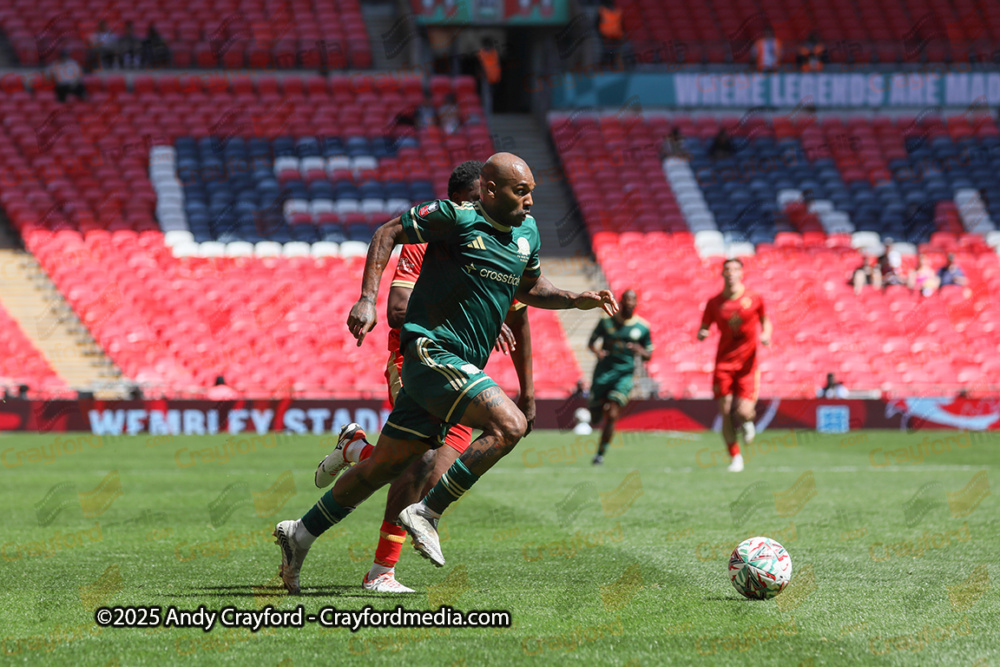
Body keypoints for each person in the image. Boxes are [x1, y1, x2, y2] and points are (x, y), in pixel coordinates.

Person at [272, 153, 618, 594]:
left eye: (532, 190)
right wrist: (366, 298)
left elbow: (530, 290)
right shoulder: (454, 219)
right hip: (430, 352)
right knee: (508, 424)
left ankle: (298, 534)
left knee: (386, 468)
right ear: (490, 191)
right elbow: (388, 232)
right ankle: (427, 513)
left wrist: (575, 299)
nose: (530, 201)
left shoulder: (526, 234)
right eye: (520, 191)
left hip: (459, 367)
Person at [313, 161, 536, 593]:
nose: (482, 212)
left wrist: (529, 390)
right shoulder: (435, 235)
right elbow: (399, 309)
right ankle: (381, 571)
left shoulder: (507, 240)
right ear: (467, 200)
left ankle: (356, 448)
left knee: (426, 472)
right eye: (475, 202)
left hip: (463, 369)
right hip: (418, 360)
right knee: (416, 464)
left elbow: (522, 318)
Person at [697, 258, 772, 473]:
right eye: (727, 269)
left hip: (748, 365)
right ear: (722, 274)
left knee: (744, 412)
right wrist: (702, 333)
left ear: (741, 273)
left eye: (735, 269)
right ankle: (735, 456)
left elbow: (766, 320)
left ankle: (748, 422)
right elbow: (703, 327)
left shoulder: (754, 298)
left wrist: (766, 334)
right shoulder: (714, 302)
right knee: (726, 411)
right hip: (723, 364)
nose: (730, 273)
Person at [588, 289, 653, 465]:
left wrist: (639, 350)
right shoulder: (606, 321)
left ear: (636, 304)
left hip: (624, 375)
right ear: (620, 303)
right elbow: (591, 343)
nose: (629, 306)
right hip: (603, 372)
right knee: (595, 417)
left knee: (612, 412)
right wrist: (598, 351)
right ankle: (597, 409)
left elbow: (649, 354)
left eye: (633, 303)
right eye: (626, 302)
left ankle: (600, 453)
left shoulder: (642, 327)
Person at [597, 0, 625, 70]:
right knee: (606, 53)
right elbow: (596, 23)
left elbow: (622, 24)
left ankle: (614, 69)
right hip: (605, 38)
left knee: (615, 54)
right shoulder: (602, 10)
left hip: (616, 38)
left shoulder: (618, 11)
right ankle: (603, 69)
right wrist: (600, 34)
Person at [477, 38, 501, 115]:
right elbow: (480, 65)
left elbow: (497, 65)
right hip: (485, 77)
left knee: (490, 95)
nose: (488, 47)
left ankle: (489, 111)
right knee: (485, 94)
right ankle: (486, 112)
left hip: (493, 76)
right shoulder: (482, 52)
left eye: (489, 45)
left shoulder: (494, 53)